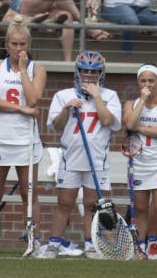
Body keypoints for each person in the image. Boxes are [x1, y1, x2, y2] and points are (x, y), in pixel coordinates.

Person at [39, 50, 120, 259]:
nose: (89, 75)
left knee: (91, 206)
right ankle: (54, 244)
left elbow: (108, 121)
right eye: (84, 71)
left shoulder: (110, 95)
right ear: (77, 71)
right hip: (71, 158)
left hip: (97, 160)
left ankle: (91, 244)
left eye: (94, 72)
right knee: (64, 203)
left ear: (101, 74)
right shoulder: (63, 95)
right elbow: (56, 126)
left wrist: (97, 97)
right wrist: (66, 109)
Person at [0, 17, 46, 258]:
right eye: (14, 44)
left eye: (23, 44)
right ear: (7, 44)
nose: (18, 49)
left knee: (30, 195)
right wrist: (21, 109)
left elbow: (34, 98)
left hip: (26, 141)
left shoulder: (37, 69)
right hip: (0, 138)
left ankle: (35, 242)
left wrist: (24, 71)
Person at [123, 63, 157, 259]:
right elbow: (128, 123)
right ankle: (139, 248)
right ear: (138, 83)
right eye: (144, 81)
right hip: (138, 164)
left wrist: (138, 128)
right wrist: (143, 100)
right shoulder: (131, 104)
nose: (148, 84)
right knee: (140, 209)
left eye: (151, 80)